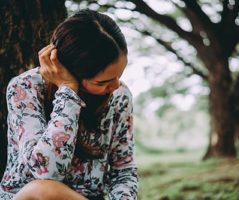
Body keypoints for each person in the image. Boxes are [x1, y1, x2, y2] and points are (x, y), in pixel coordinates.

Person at [0, 9, 138, 200]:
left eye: (119, 75)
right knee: (43, 190)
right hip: (32, 197)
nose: (115, 86)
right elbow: (46, 171)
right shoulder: (25, 88)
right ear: (70, 71)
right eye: (102, 82)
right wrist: (68, 92)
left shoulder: (119, 95)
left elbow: (123, 171)